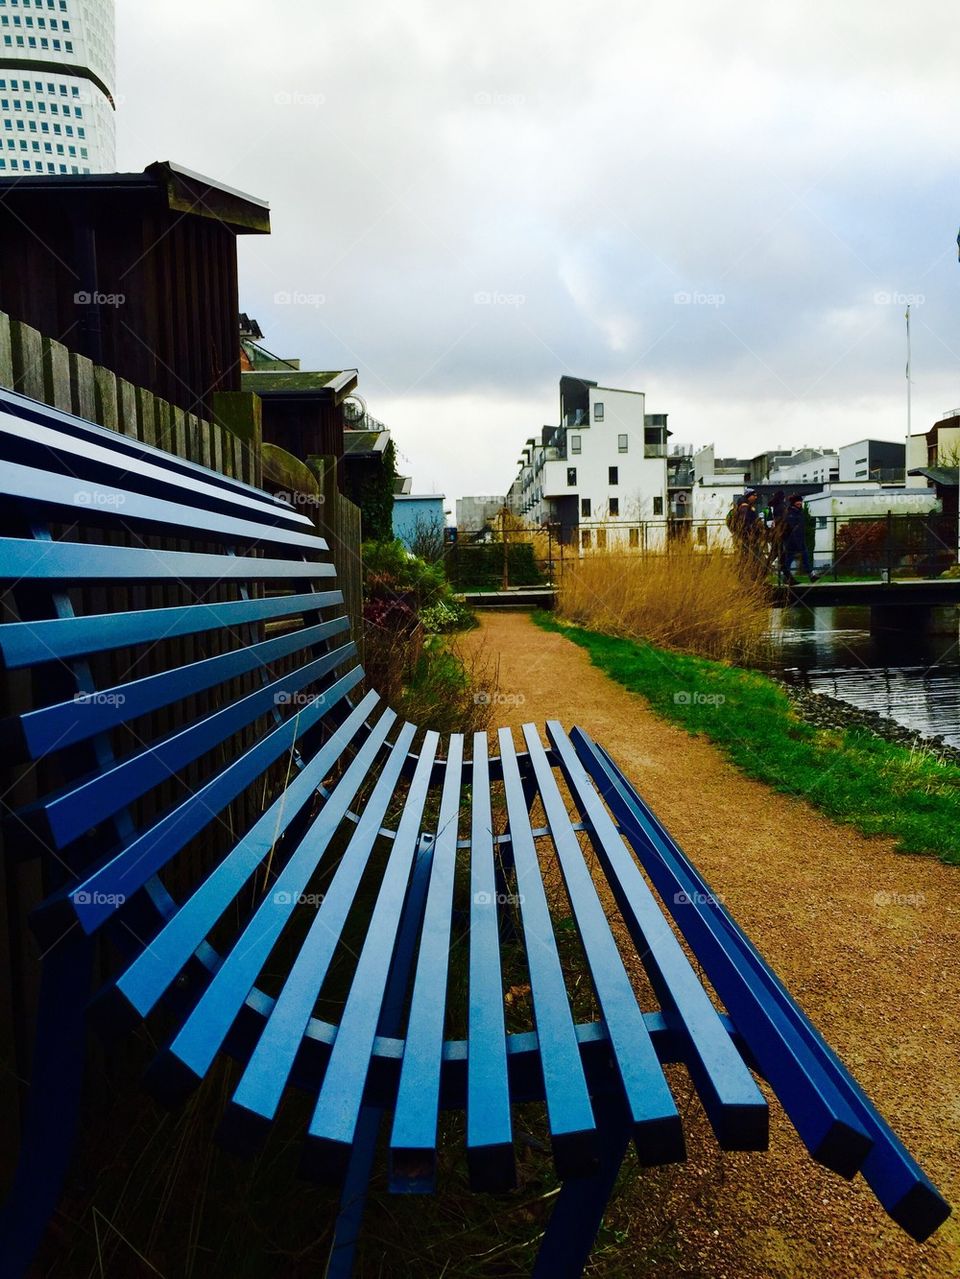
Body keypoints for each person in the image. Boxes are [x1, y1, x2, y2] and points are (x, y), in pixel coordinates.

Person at [781, 493, 819, 585]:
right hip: (792, 541)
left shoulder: (798, 513)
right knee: (789, 559)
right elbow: (792, 529)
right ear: (794, 504)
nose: (800, 505)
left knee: (805, 558)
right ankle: (786, 575)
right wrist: (794, 541)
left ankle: (810, 574)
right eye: (798, 503)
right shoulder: (791, 514)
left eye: (800, 503)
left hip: (800, 540)